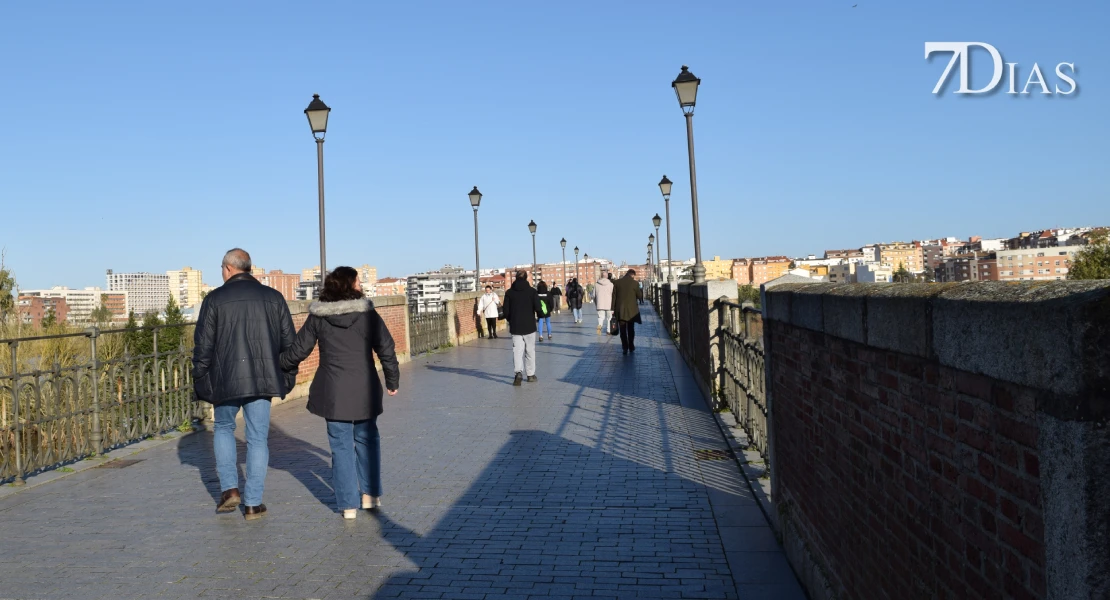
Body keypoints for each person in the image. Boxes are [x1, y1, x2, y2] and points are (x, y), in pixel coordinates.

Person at [279, 267, 400, 520]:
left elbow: (299, 349)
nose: (360, 285)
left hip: (333, 391)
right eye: (358, 281)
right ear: (350, 285)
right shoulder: (367, 313)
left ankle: (347, 506)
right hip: (365, 389)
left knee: (341, 447)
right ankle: (370, 495)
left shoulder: (319, 316)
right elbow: (386, 347)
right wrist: (392, 379)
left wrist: (278, 364)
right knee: (367, 441)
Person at [192, 248, 296, 521]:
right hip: (262, 378)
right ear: (248, 267)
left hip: (224, 378)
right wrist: (286, 375)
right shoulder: (273, 298)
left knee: (224, 428)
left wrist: (200, 377)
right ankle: (252, 503)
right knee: (258, 439)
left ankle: (229, 490)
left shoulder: (214, 299)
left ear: (227, 268)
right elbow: (289, 344)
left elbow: (203, 345)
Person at [503, 270, 542, 386]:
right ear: (526, 278)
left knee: (517, 351)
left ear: (516, 278)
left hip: (515, 326)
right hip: (529, 325)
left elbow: (506, 311)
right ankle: (530, 375)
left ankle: (518, 373)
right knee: (530, 351)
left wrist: (511, 320)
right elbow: (538, 308)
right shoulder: (532, 292)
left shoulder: (509, 293)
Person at [612, 269, 644, 355]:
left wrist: (612, 309)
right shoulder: (635, 283)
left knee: (622, 330)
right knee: (631, 329)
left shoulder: (617, 283)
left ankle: (624, 347)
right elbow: (639, 296)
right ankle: (631, 346)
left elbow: (613, 297)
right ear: (632, 275)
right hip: (631, 311)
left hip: (620, 310)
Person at [593, 270, 614, 336]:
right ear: (607, 276)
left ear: (601, 276)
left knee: (601, 317)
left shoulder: (596, 284)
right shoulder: (611, 284)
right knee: (609, 318)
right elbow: (613, 295)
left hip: (600, 304)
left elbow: (593, 295)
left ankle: (600, 325)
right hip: (609, 304)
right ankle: (608, 331)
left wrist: (596, 302)